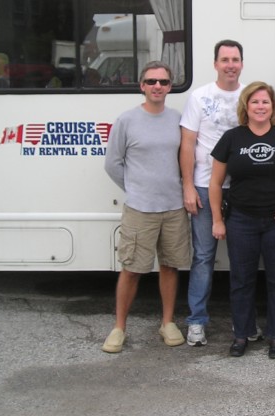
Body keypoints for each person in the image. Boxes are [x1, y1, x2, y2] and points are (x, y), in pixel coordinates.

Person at [209, 82, 275, 359]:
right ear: (246, 106)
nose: (260, 107)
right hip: (241, 220)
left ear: (272, 107)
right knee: (241, 279)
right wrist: (218, 220)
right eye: (255, 102)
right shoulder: (232, 138)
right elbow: (216, 183)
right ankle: (241, 334)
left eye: (265, 102)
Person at [101, 61, 190, 353]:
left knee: (169, 266)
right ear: (142, 86)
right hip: (140, 209)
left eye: (163, 82)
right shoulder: (127, 120)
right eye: (151, 81)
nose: (157, 87)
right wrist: (136, 189)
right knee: (132, 269)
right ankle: (119, 327)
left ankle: (167, 322)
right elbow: (112, 163)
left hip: (174, 207)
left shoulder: (177, 118)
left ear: (169, 87)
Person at [180, 39, 246, 347]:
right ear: (216, 64)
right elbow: (188, 144)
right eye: (225, 59)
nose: (230, 64)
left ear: (241, 63)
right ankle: (196, 322)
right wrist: (188, 186)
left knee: (241, 259)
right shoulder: (199, 97)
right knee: (204, 257)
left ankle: (242, 322)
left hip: (244, 188)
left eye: (235, 59)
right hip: (206, 187)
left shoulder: (249, 96)